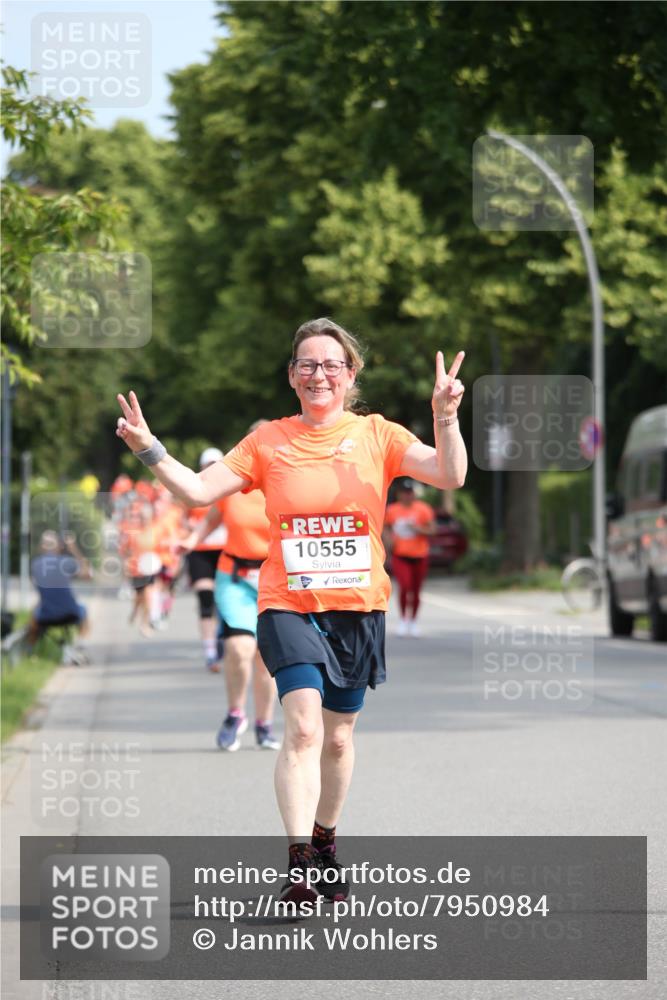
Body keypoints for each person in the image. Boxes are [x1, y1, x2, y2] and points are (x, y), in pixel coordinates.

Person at [116, 317, 466, 904]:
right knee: (303, 728)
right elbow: (198, 492)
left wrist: (446, 415)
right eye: (307, 364)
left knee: (336, 740)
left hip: (357, 609)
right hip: (288, 604)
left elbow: (451, 475)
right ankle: (300, 861)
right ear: (292, 376)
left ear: (350, 374)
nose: (319, 374)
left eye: (331, 364)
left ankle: (326, 839)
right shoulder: (268, 441)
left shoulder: (378, 435)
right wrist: (149, 448)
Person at [183, 424, 280, 752]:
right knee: (239, 649)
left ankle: (264, 723)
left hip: (276, 580)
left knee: (266, 658)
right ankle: (235, 713)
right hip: (235, 576)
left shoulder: (288, 484)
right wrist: (191, 540)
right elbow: (212, 518)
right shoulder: (233, 484)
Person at [181, 448, 228, 671]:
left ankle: (220, 637)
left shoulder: (231, 488)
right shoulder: (194, 490)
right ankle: (210, 651)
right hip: (201, 550)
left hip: (225, 549)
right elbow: (183, 518)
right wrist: (189, 530)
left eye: (215, 464)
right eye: (207, 464)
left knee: (223, 601)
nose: (211, 468)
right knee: (205, 597)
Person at [29, 530, 92, 661]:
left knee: (33, 613)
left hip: (45, 616)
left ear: (41, 547)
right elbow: (88, 574)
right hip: (71, 613)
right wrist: (73, 548)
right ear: (58, 546)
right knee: (84, 610)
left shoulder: (35, 564)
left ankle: (31, 652)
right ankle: (80, 645)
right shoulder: (66, 562)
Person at [384, 479, 436, 637]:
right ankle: (403, 620)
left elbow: (432, 530)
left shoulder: (423, 509)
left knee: (416, 590)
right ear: (399, 494)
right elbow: (386, 527)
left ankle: (413, 621)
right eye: (404, 493)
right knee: (404, 587)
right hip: (401, 554)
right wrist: (388, 542)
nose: (407, 496)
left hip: (420, 554)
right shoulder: (393, 510)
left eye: (410, 492)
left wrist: (418, 528)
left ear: (414, 494)